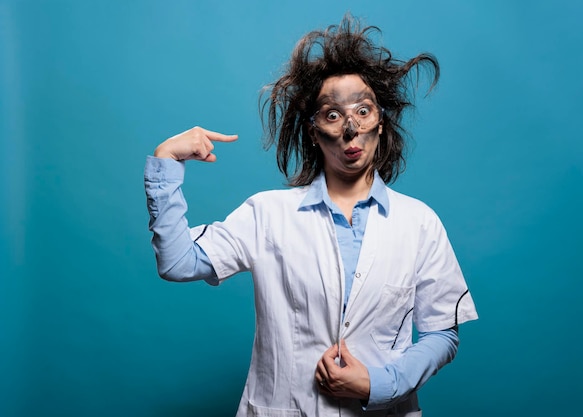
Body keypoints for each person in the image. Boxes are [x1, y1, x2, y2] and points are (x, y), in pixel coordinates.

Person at [144, 15, 478, 417]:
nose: (350, 129)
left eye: (363, 110)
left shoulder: (420, 223)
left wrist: (380, 383)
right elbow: (177, 262)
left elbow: (442, 332)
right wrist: (166, 165)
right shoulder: (267, 214)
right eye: (333, 115)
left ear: (381, 121)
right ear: (314, 131)